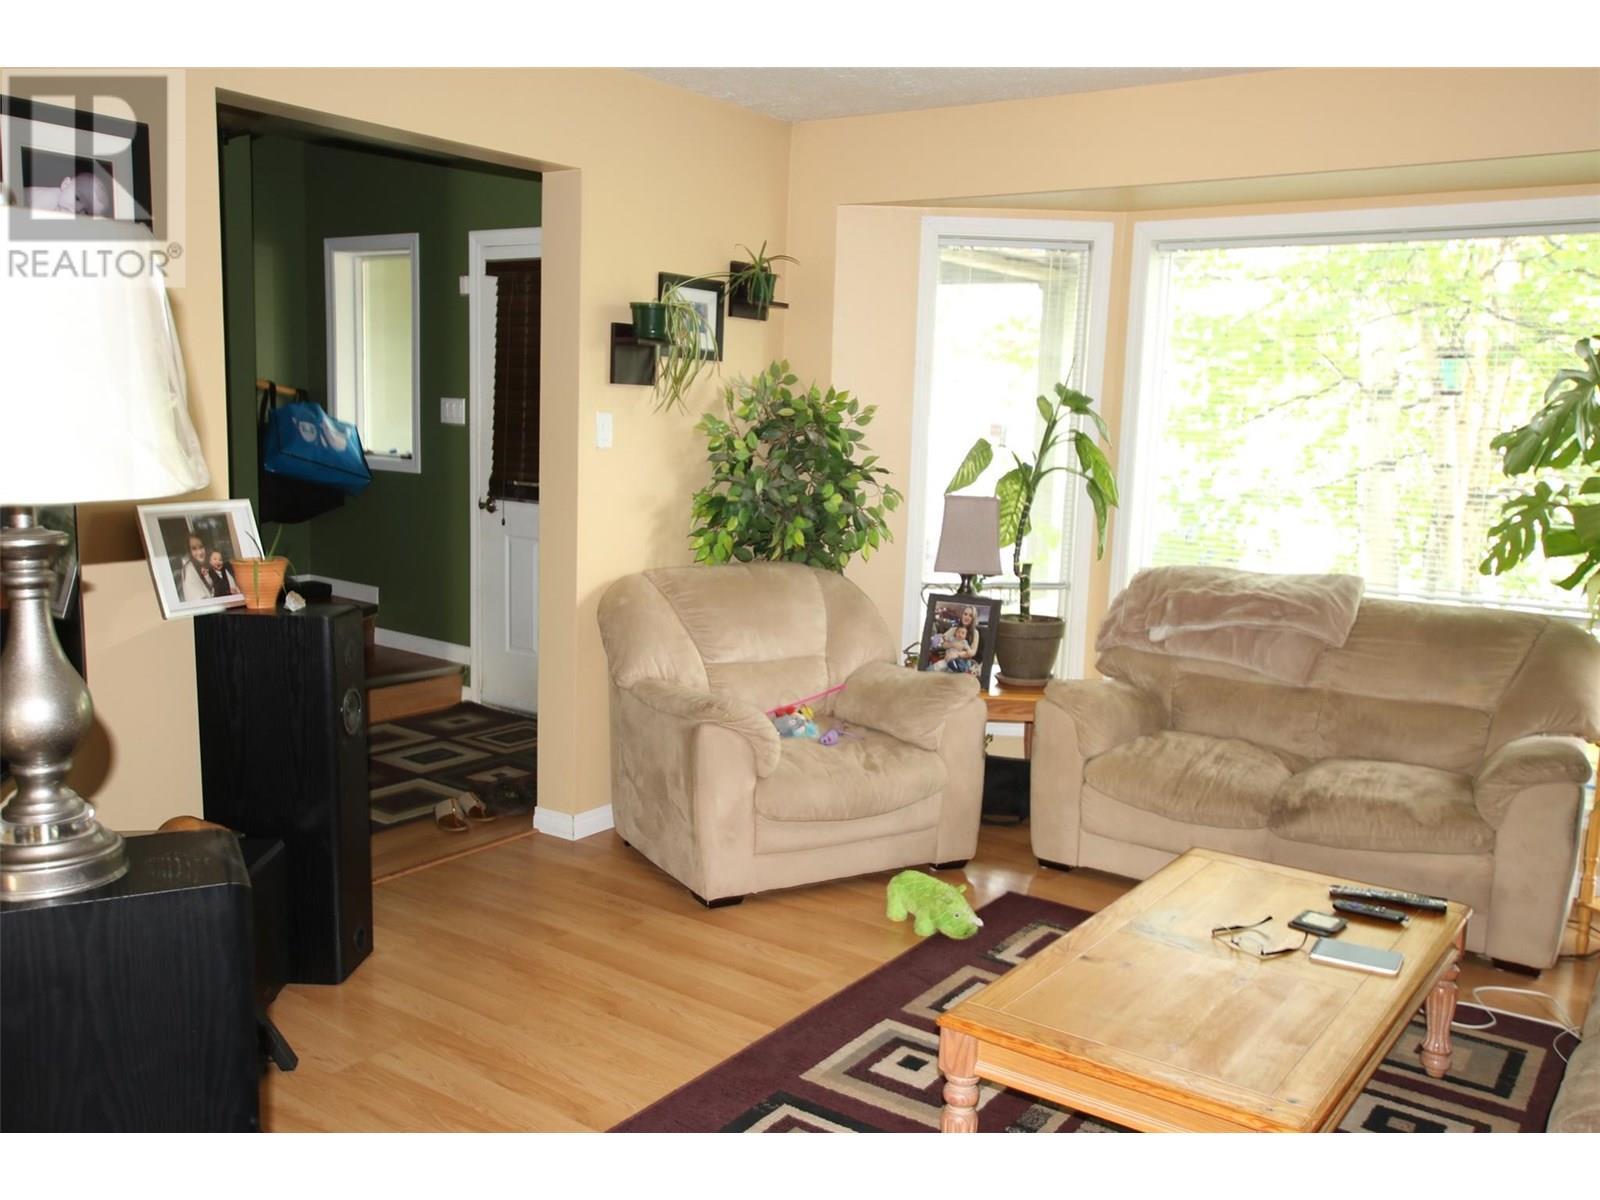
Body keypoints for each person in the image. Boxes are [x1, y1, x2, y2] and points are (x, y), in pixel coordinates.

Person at [177, 533, 211, 603]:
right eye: (194, 549)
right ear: (189, 551)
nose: (199, 552)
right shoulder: (188, 570)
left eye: (201, 547)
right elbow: (201, 601)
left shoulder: (208, 564)